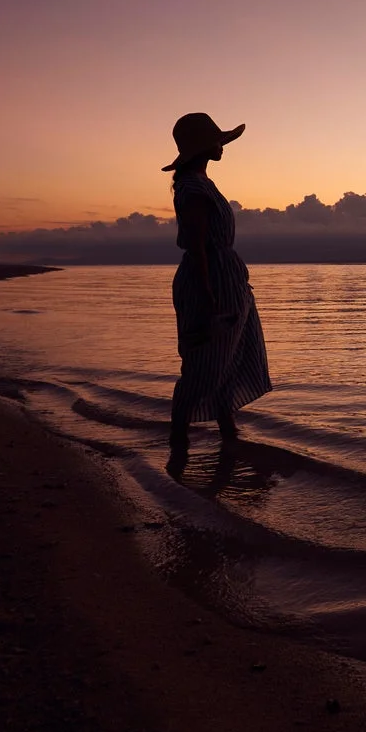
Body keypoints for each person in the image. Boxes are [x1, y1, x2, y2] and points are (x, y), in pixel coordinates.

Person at [161, 112, 272, 474]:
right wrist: (208, 292)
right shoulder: (192, 188)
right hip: (210, 282)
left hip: (227, 280)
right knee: (204, 363)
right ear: (203, 147)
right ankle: (178, 442)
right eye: (216, 142)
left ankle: (227, 433)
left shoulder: (200, 183)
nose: (221, 147)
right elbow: (196, 246)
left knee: (232, 355)